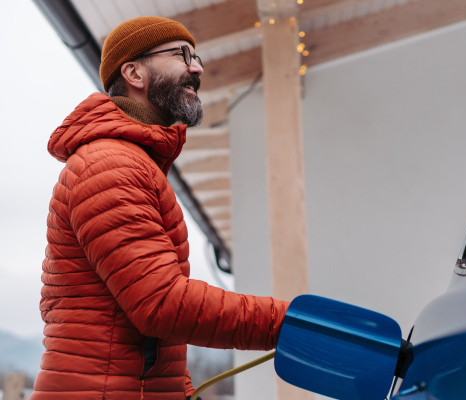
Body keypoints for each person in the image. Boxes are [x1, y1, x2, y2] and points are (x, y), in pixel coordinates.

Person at [31, 16, 289, 400]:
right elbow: (163, 303)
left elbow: (142, 330)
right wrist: (292, 322)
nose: (197, 68)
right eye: (182, 55)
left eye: (196, 56)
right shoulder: (110, 164)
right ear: (133, 72)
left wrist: (178, 387)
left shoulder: (132, 162)